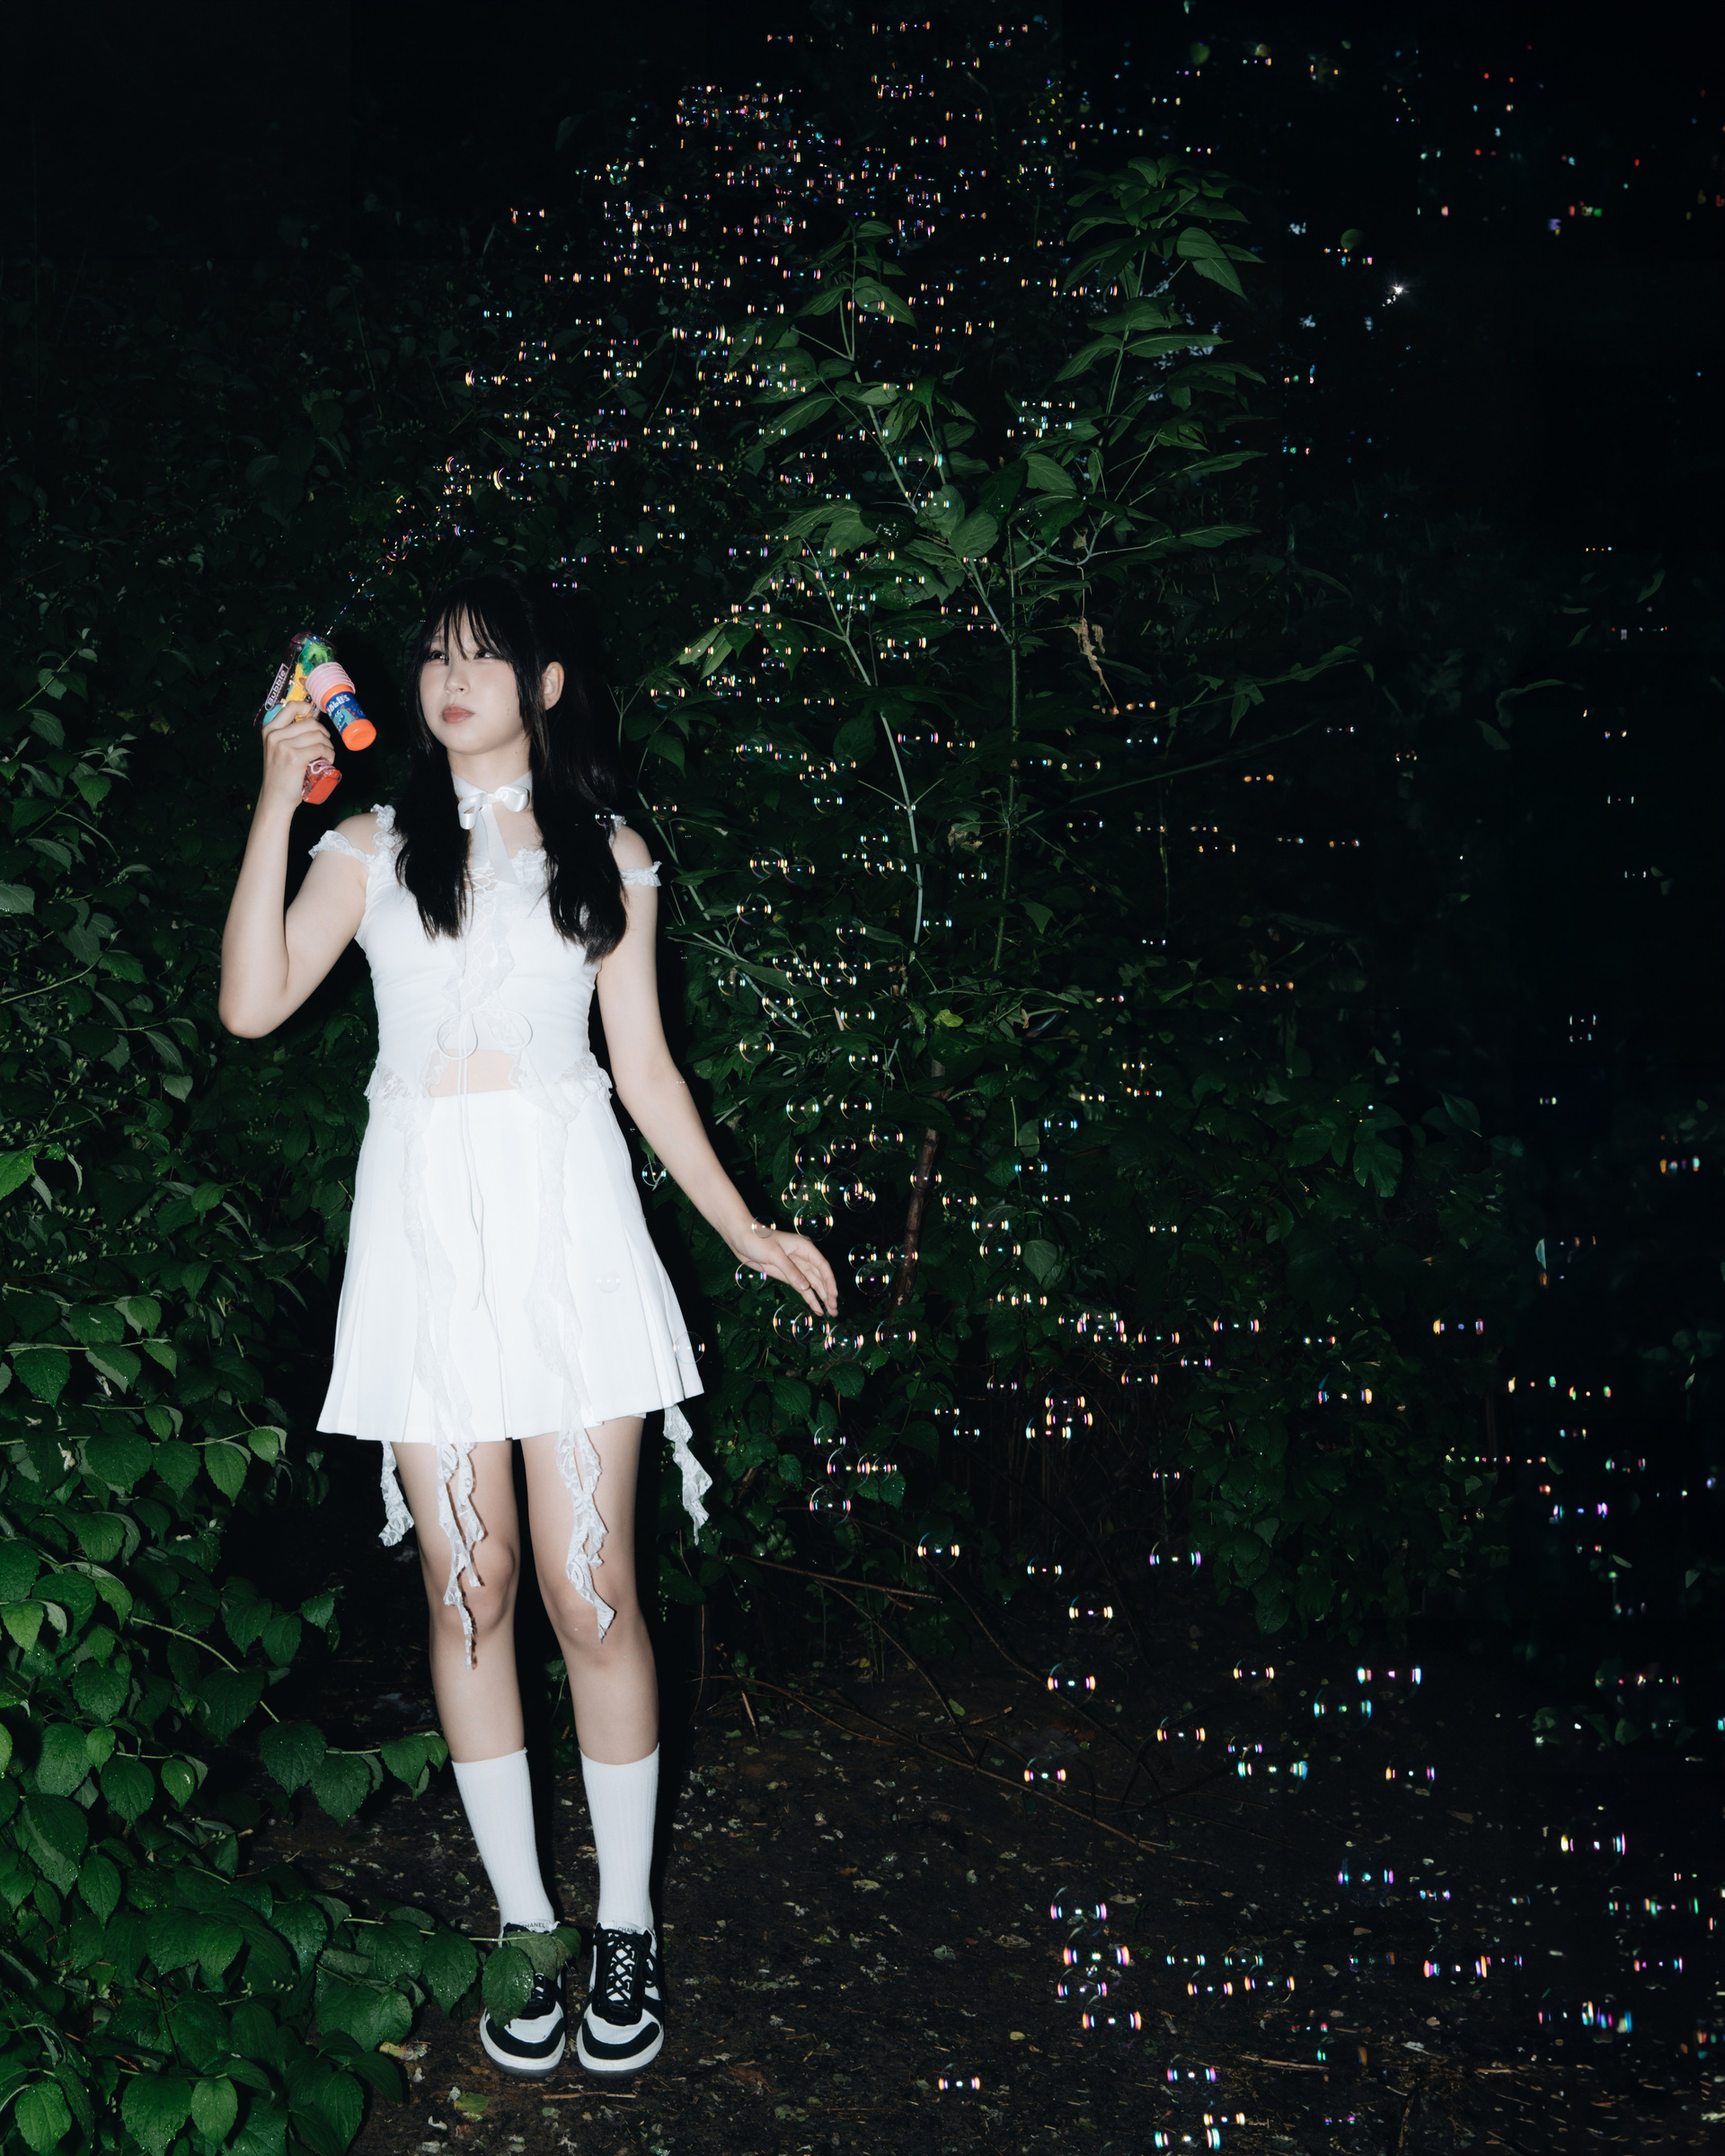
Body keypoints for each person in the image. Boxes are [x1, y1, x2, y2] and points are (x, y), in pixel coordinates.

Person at [219, 574, 836, 2081]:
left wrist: (745, 1230)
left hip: (570, 1237)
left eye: (485, 657)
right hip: (425, 1244)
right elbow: (251, 1004)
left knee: (592, 1589)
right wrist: (278, 798)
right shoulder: (371, 847)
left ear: (546, 685)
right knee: (470, 1589)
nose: (452, 677)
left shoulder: (607, 854)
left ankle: (626, 1922)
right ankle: (525, 1927)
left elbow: (649, 1072)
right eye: (436, 657)